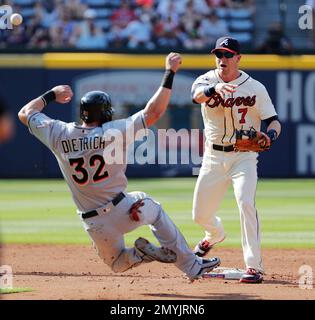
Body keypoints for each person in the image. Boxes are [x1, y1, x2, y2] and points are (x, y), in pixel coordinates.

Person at [18, 53, 220, 281]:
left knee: (116, 264)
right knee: (153, 207)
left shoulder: (59, 133)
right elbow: (153, 112)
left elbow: (25, 113)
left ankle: (140, 255)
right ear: (104, 113)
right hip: (126, 209)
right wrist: (169, 73)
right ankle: (191, 265)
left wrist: (52, 94)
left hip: (93, 223)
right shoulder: (113, 131)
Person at [191, 37, 281, 283]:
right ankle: (214, 234)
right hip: (213, 156)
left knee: (245, 202)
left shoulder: (255, 87)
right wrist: (214, 90)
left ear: (238, 59)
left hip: (244, 156)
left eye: (228, 55)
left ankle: (254, 267)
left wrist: (270, 136)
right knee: (199, 215)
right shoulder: (207, 80)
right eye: (219, 54)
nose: (222, 59)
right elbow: (196, 96)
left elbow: (273, 120)